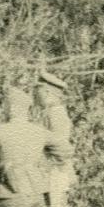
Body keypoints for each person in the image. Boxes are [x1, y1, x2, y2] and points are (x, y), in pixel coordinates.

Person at [34, 71, 76, 200]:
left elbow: (60, 147)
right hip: (53, 172)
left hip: (56, 173)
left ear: (47, 93)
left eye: (38, 91)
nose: (36, 95)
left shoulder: (55, 113)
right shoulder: (50, 112)